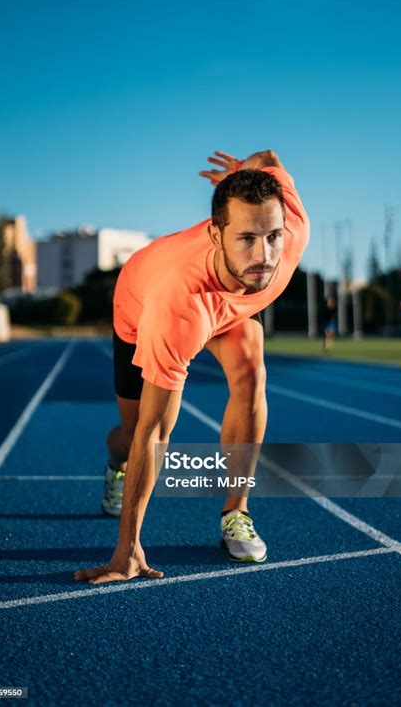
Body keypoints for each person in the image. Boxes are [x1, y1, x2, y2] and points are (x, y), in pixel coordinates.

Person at [74, 149, 310, 585]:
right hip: (144, 303)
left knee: (251, 373)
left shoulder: (291, 227)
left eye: (272, 236)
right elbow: (157, 432)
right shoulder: (176, 305)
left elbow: (271, 157)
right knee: (132, 433)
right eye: (246, 239)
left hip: (230, 307)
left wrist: (240, 171)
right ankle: (114, 464)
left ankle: (235, 511)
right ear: (216, 235)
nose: (265, 255)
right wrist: (127, 551)